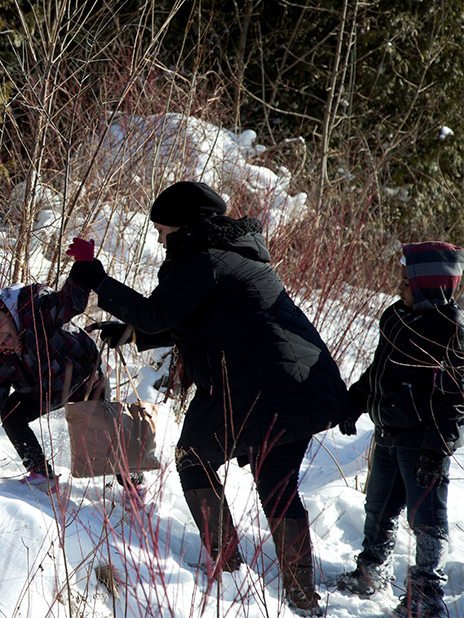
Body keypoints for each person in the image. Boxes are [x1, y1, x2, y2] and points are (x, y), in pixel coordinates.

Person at [66, 181, 349, 615]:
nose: (160, 240)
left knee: (193, 458)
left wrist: (97, 279)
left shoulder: (201, 259)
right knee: (276, 484)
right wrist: (134, 331)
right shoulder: (234, 254)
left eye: (162, 231)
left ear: (183, 226)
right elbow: (207, 315)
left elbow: (162, 311)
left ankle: (228, 567)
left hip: (255, 385)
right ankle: (300, 595)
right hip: (296, 385)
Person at [337, 242, 464, 618]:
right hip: (388, 433)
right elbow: (378, 372)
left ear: (430, 286)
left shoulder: (452, 331)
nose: (399, 289)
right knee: (378, 506)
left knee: (426, 519)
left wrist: (436, 450)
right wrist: (356, 402)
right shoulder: (396, 318)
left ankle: (427, 592)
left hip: (422, 441)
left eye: (407, 284)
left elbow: (454, 401)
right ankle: (370, 570)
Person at [0, 280, 144, 498]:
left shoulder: (35, 307)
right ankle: (41, 473)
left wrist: (83, 270)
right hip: (43, 389)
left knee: (102, 436)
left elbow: (70, 302)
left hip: (85, 377)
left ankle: (134, 485)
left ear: (6, 309)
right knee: (12, 414)